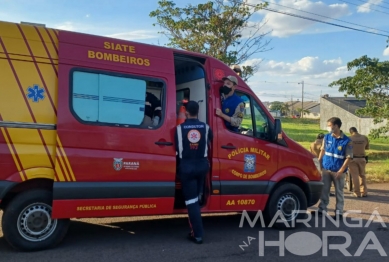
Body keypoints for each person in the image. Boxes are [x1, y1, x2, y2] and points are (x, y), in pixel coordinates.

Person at [174, 100, 213, 244]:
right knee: (196, 198)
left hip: (187, 168)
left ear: (186, 112)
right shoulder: (206, 127)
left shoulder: (179, 128)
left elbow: (177, 148)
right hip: (202, 167)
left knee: (192, 202)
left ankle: (197, 234)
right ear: (198, 112)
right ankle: (197, 231)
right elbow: (209, 140)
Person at [315, 117, 353, 220]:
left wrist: (341, 171)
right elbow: (323, 151)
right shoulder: (327, 137)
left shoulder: (347, 141)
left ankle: (339, 212)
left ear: (336, 126)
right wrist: (319, 163)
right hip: (326, 169)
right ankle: (322, 209)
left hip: (338, 171)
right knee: (324, 190)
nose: (328, 127)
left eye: (329, 125)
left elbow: (349, 158)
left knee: (339, 192)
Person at [348, 127, 369, 197]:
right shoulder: (364, 138)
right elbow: (367, 147)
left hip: (353, 159)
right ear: (357, 131)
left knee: (355, 176)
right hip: (362, 158)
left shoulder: (349, 138)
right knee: (362, 175)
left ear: (351, 132)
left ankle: (357, 193)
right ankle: (364, 192)